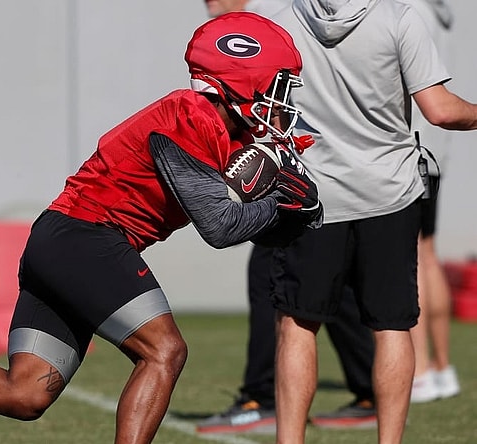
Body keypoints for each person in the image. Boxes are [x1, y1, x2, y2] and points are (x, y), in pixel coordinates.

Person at [0, 13, 322, 444]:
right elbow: (219, 224)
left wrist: (298, 216)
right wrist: (285, 208)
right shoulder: (187, 116)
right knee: (164, 351)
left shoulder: (224, 131)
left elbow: (258, 224)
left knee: (26, 393)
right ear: (241, 76)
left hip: (62, 241)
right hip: (87, 238)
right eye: (278, 85)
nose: (281, 102)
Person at [269, 1, 477, 443]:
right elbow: (439, 110)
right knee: (391, 325)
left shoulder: (282, 21)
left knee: (297, 323)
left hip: (312, 195)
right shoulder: (398, 18)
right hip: (389, 193)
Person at [197, 1, 376, 435]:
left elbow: (273, 106)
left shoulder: (272, 24)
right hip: (350, 173)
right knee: (328, 285)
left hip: (309, 168)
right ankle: (371, 387)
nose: (208, 7)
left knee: (275, 282)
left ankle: (261, 397)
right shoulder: (298, 19)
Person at [402, 0, 461, 404]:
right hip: (433, 152)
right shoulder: (435, 8)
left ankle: (421, 370)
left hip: (413, 147)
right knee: (427, 253)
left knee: (412, 258)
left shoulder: (408, 10)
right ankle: (441, 368)